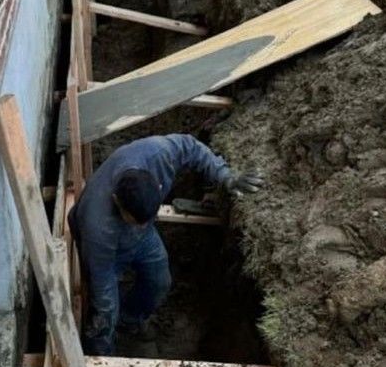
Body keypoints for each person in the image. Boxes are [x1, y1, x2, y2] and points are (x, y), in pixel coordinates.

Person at [67, 134, 263, 355]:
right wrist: (104, 306)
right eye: (134, 220)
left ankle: (129, 320)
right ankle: (101, 359)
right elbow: (102, 280)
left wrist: (226, 176)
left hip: (141, 234)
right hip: (108, 247)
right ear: (117, 202)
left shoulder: (158, 155)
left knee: (159, 281)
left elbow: (191, 147)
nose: (139, 225)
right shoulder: (98, 226)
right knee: (105, 310)